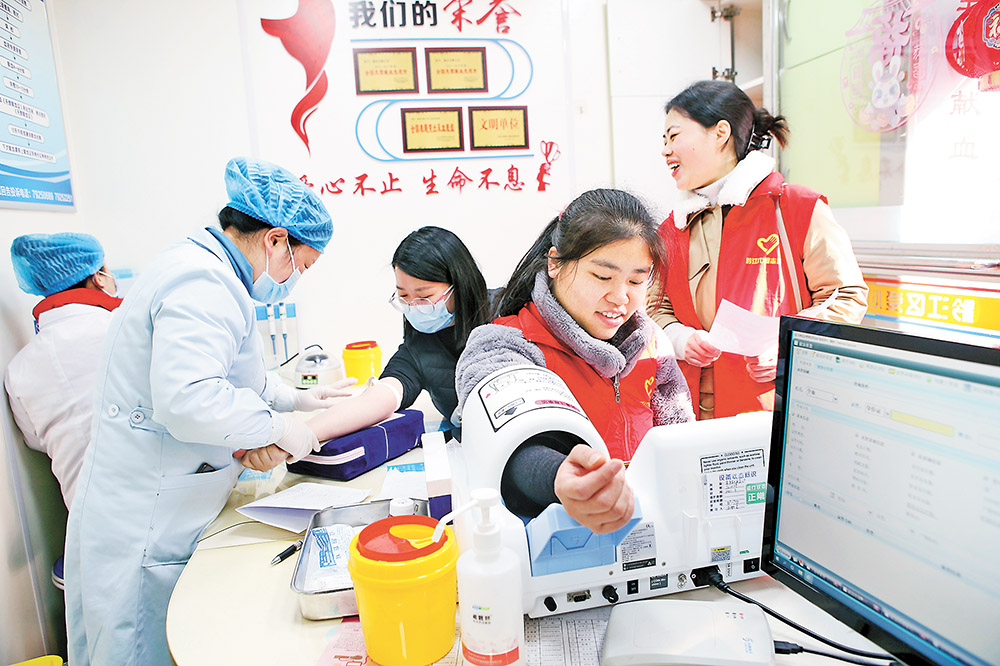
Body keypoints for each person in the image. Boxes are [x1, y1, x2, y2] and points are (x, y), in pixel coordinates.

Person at [64, 157, 351, 666]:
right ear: (275, 240)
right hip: (145, 519)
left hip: (155, 501)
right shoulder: (203, 282)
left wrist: (295, 399)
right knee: (135, 649)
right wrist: (284, 428)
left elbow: (234, 375)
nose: (293, 281)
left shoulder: (207, 271)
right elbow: (189, 398)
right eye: (300, 266)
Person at [456, 188, 694, 534]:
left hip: (651, 536)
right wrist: (559, 476)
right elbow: (508, 445)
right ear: (555, 263)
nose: (620, 297)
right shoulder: (507, 344)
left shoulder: (652, 345)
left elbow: (680, 439)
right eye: (602, 276)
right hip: (556, 546)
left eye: (636, 280)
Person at [650, 80, 868, 421]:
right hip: (693, 414)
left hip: (776, 412)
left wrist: (787, 344)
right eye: (663, 140)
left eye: (674, 136)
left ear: (720, 132)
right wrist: (681, 338)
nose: (665, 150)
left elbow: (846, 296)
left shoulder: (795, 207)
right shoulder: (672, 227)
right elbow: (655, 309)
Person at [306, 226, 490, 440]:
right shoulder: (418, 347)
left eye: (424, 296)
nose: (413, 306)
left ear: (459, 284)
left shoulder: (508, 314)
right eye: (403, 296)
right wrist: (305, 433)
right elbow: (378, 400)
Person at [4, 233, 120, 510]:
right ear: (99, 277)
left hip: (86, 518)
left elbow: (36, 441)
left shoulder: (19, 368)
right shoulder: (123, 328)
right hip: (160, 504)